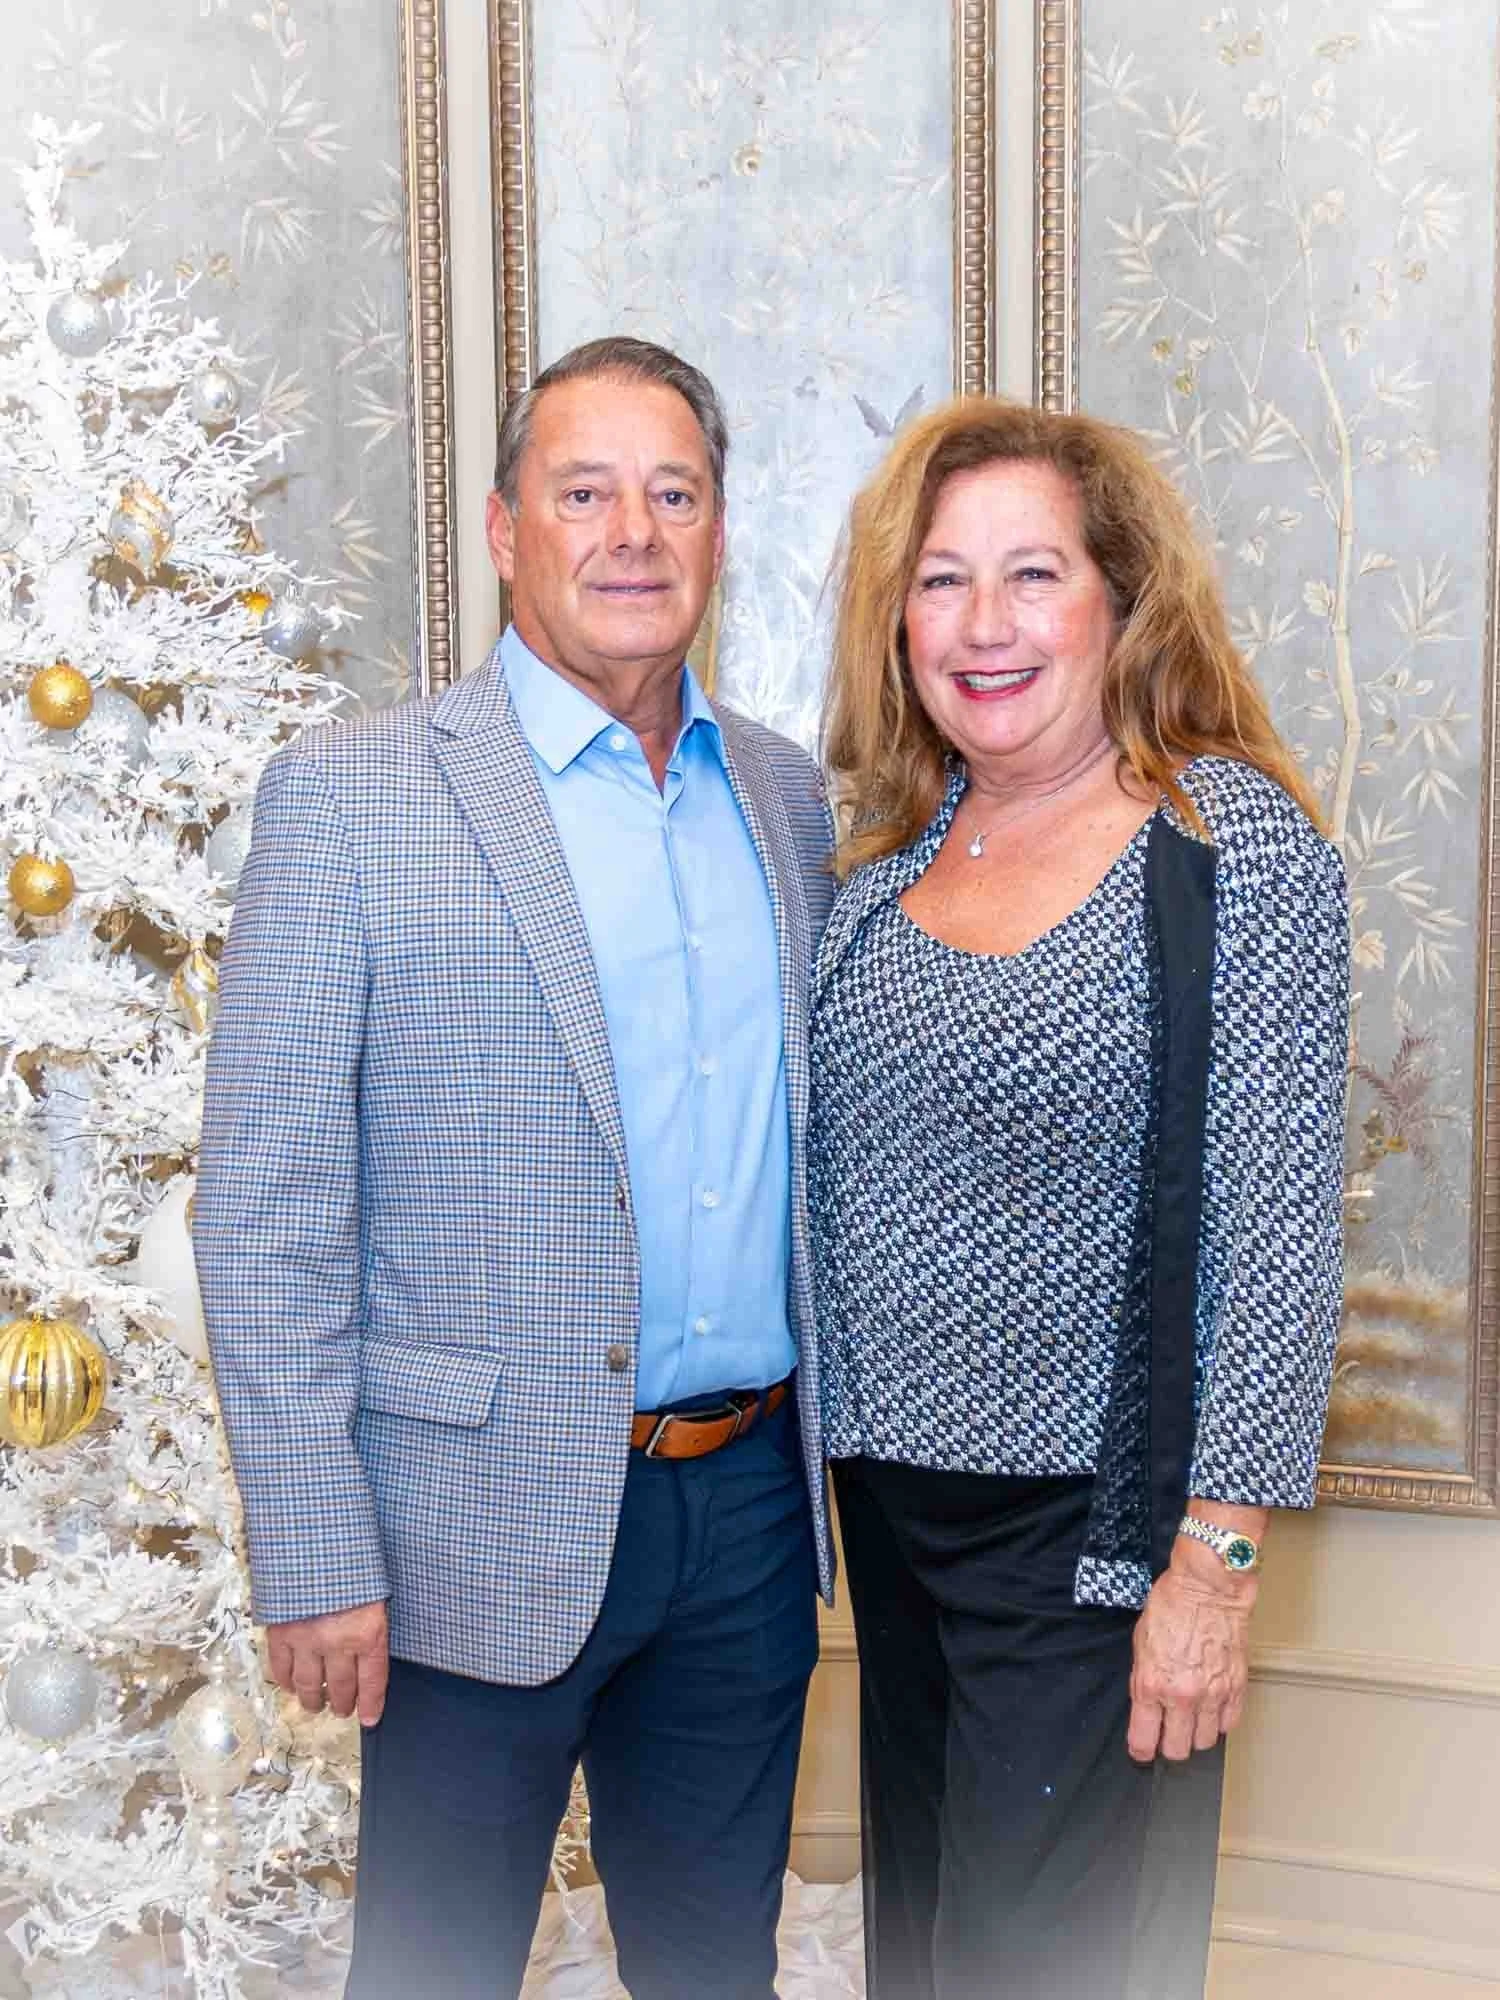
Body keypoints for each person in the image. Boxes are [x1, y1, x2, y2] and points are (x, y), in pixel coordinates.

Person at [193, 336, 837, 2000]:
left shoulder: (786, 797)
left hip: (750, 1508)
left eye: (673, 492)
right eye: (584, 491)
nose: (633, 530)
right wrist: (318, 1548)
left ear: (716, 531)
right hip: (467, 1525)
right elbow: (266, 1211)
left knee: (716, 1967)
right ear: (503, 531)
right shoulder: (353, 801)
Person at [810, 396, 1349, 2000]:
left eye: (1033, 575)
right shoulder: (888, 856)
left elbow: (1276, 1231)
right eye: (941, 579)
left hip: (1099, 1542)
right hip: (889, 1518)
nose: (983, 626)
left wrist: (1214, 1571)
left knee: (1046, 1963)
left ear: (1121, 597)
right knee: (922, 1947)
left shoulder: (1222, 841)